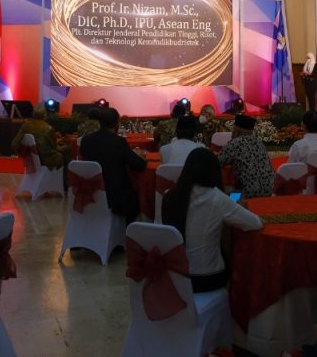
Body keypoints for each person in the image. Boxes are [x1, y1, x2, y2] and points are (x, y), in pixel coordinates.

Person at [161, 148, 263, 292]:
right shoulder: (217, 198)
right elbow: (255, 223)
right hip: (206, 278)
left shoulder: (170, 195)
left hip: (175, 275)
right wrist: (235, 206)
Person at [80, 107, 147, 223]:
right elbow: (139, 165)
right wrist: (140, 156)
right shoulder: (118, 142)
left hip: (90, 192)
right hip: (115, 196)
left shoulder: (86, 140)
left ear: (100, 122)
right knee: (136, 202)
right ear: (116, 124)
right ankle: (123, 231)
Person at [218, 114, 275, 198]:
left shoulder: (235, 144)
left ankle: (233, 203)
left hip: (246, 194)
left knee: (226, 192)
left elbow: (217, 162)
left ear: (236, 131)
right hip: (268, 192)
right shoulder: (259, 143)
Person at [12, 103, 68, 169]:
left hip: (30, 159)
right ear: (45, 115)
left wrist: (23, 154)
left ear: (33, 114)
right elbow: (55, 148)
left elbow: (14, 144)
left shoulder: (25, 126)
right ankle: (65, 175)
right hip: (46, 160)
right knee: (67, 148)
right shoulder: (49, 128)